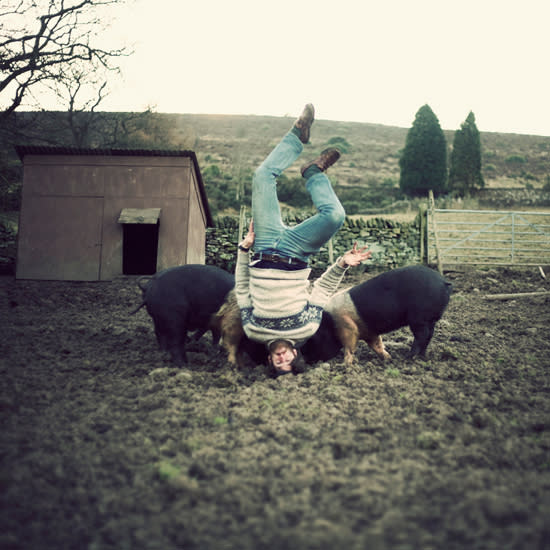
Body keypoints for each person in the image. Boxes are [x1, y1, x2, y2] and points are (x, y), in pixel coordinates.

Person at [234, 104, 371, 375]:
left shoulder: (252, 331)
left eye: (278, 363)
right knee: (334, 216)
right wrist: (342, 263)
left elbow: (241, 289)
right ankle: (314, 173)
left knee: (262, 176)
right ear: (296, 353)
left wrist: (243, 250)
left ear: (270, 359)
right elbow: (320, 291)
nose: (283, 359)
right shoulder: (306, 328)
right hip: (296, 253)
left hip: (262, 247)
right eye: (289, 362)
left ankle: (297, 135)